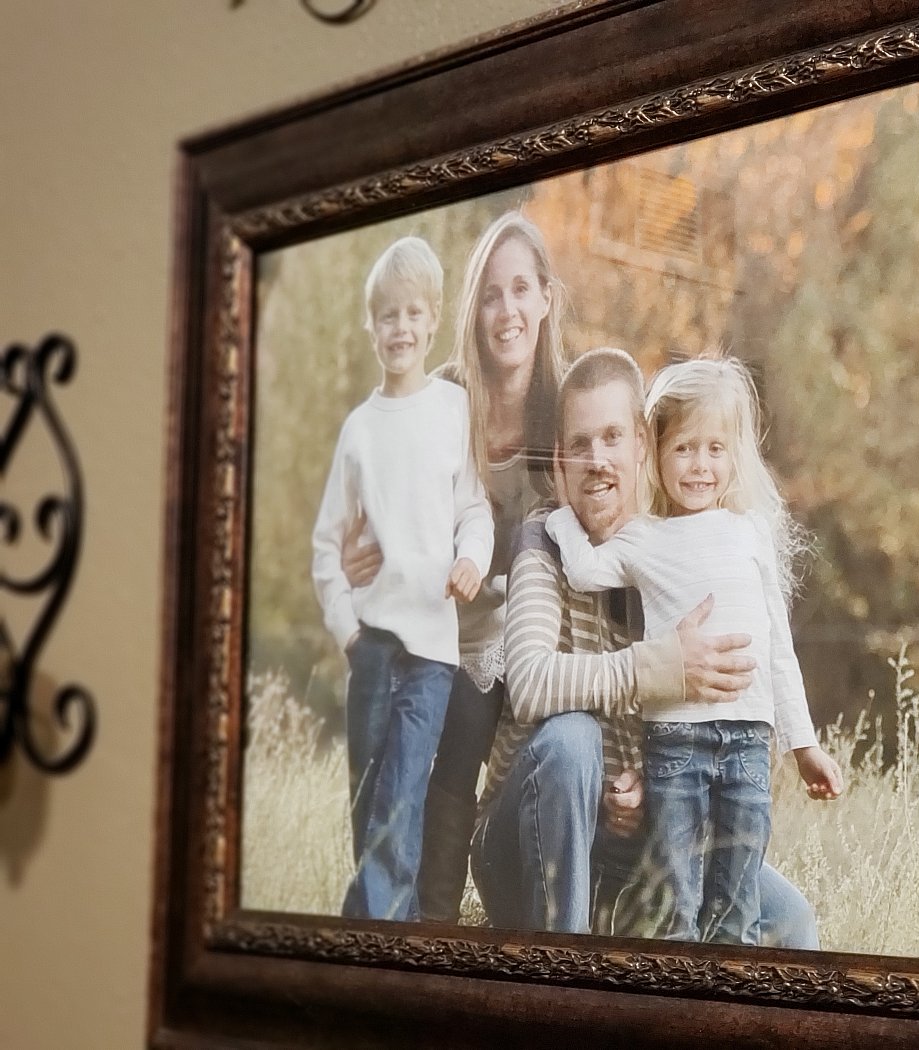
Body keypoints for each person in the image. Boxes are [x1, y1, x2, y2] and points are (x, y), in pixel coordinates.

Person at [471, 347, 820, 948]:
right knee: (572, 737)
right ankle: (563, 968)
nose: (598, 459)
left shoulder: (676, 547)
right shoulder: (546, 541)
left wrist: (645, 789)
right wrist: (657, 668)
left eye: (612, 438)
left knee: (789, 919)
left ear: (642, 445)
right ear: (559, 460)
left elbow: (703, 724)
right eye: (580, 444)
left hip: (628, 839)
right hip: (521, 839)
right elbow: (528, 681)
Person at [340, 211, 566, 922]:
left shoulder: (563, 413)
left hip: (533, 644)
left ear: (546, 299)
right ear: (473, 306)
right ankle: (419, 925)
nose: (507, 310)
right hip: (444, 637)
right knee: (433, 742)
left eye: (521, 289)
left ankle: (494, 915)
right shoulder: (438, 398)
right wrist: (359, 552)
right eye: (492, 293)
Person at [310, 235, 494, 921]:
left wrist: (472, 558)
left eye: (414, 314)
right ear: (371, 325)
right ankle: (381, 930)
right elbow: (328, 546)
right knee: (368, 802)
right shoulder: (359, 430)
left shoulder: (451, 410)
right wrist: (348, 630)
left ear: (433, 318)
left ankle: (382, 942)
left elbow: (473, 507)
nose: (401, 329)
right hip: (374, 646)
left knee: (404, 792)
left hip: (433, 656)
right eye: (388, 315)